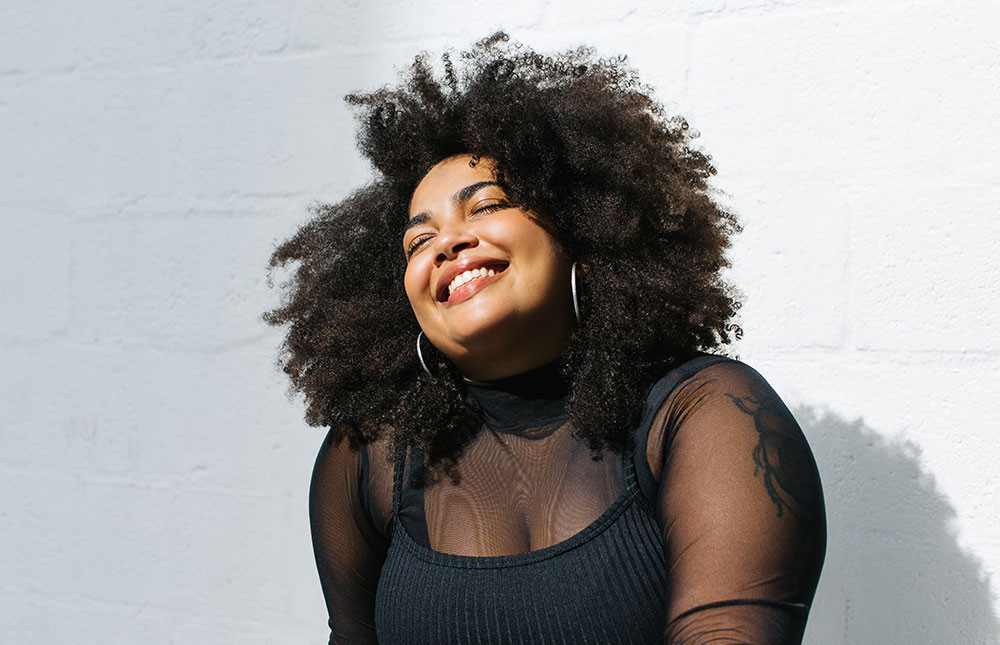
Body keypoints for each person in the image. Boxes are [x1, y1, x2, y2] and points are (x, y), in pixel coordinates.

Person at [265, 32, 826, 644]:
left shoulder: (706, 413)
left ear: (582, 227)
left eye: (486, 207)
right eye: (419, 241)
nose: (448, 243)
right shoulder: (368, 455)